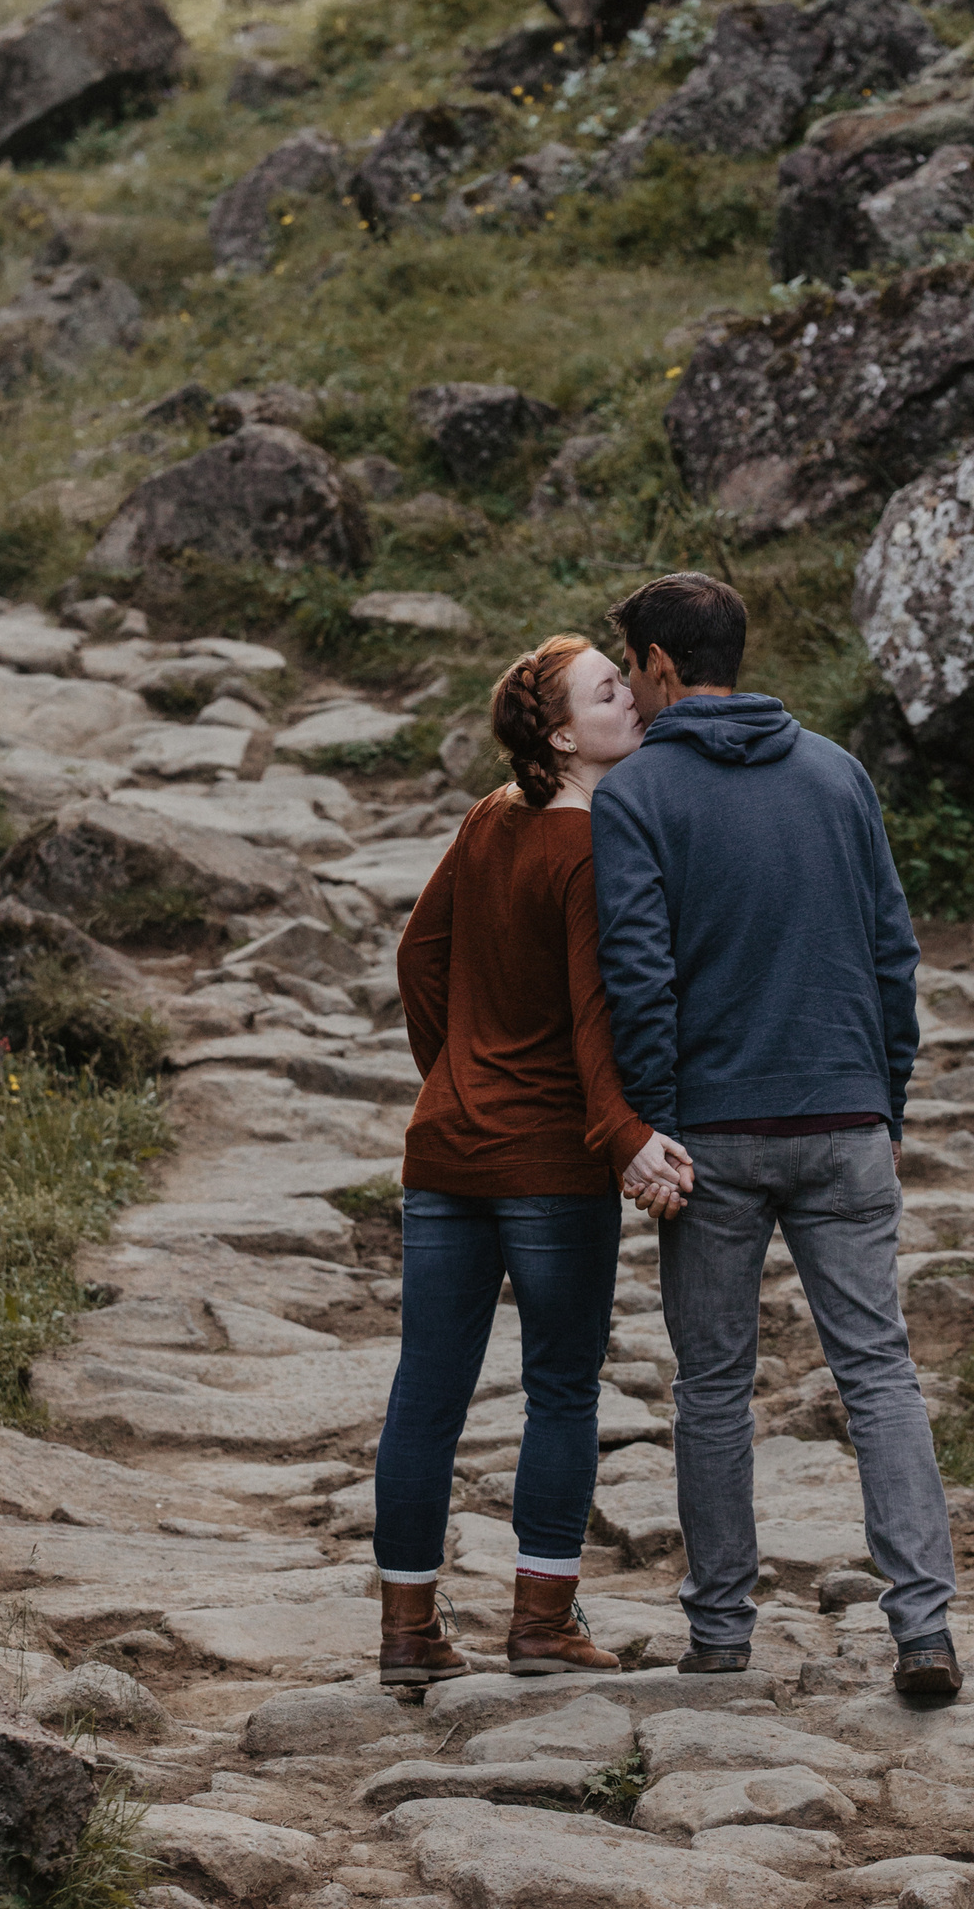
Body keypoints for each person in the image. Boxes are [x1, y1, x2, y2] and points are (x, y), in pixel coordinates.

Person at [590, 571, 960, 1698]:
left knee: (712, 1387)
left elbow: (639, 980)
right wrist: (886, 1096)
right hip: (847, 1117)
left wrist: (652, 1122)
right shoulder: (837, 772)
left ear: (659, 664)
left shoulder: (637, 794)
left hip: (715, 1137)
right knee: (881, 1374)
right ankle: (924, 1631)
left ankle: (721, 1631)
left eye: (634, 673)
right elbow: (894, 950)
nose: (635, 697)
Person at [374, 634, 694, 1688]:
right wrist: (625, 1138)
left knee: (428, 1391)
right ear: (562, 733)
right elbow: (594, 1019)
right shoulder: (592, 846)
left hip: (448, 1148)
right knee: (561, 1387)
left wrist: (453, 1069)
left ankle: (409, 1634)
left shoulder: (485, 819)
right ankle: (542, 1622)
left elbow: (420, 953)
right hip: (550, 1161)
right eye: (610, 691)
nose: (632, 700)